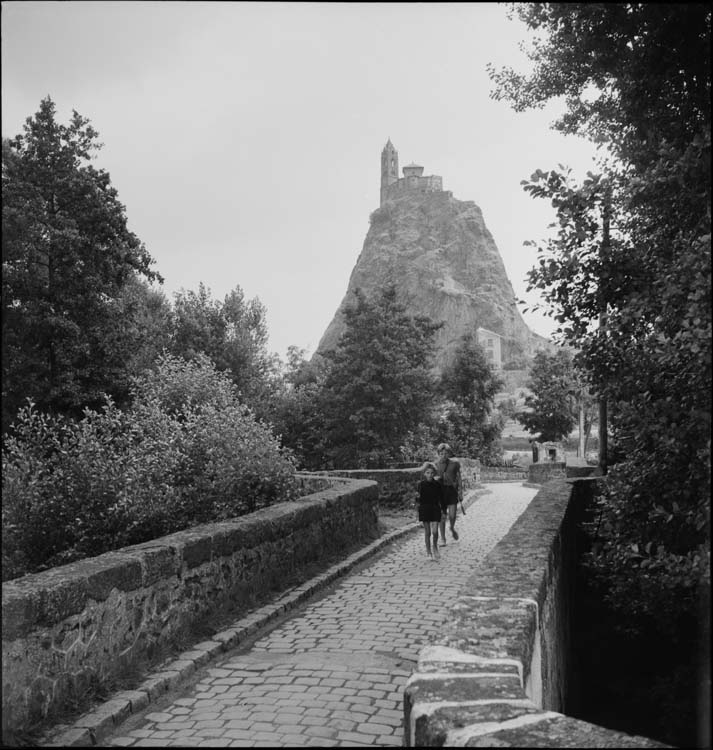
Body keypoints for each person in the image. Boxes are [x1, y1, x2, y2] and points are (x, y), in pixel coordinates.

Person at [435, 443, 462, 543]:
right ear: (438, 454)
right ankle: (442, 538)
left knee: (452, 515)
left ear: (449, 453)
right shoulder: (435, 465)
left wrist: (460, 492)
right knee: (442, 516)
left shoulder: (455, 464)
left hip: (451, 491)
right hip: (440, 492)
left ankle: (452, 527)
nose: (443, 455)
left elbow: (459, 478)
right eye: (441, 453)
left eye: (446, 453)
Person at [417, 461, 443, 561]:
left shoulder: (437, 484)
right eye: (427, 473)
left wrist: (444, 511)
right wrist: (417, 499)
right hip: (424, 509)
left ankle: (435, 547)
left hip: (435, 508)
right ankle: (428, 551)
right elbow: (418, 499)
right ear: (424, 473)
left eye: (432, 473)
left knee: (435, 531)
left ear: (434, 473)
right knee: (428, 532)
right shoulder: (420, 485)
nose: (430, 475)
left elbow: (441, 498)